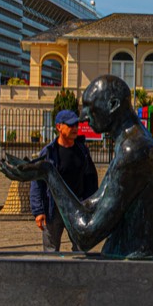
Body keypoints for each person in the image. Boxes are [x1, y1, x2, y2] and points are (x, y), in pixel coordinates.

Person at [0, 74, 153, 258]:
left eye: (90, 106)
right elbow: (94, 203)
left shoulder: (133, 149)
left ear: (113, 105)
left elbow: (86, 236)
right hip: (125, 255)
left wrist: (47, 172)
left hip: (132, 263)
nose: (82, 117)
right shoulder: (131, 142)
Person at [30, 108, 99, 252]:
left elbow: (91, 177)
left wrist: (91, 204)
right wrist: (38, 211)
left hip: (77, 207)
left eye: (76, 125)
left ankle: (78, 273)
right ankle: (51, 274)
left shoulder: (82, 151)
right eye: (70, 125)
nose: (75, 128)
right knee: (51, 249)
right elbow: (37, 182)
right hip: (53, 208)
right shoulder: (48, 152)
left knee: (81, 247)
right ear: (59, 127)